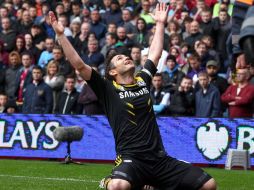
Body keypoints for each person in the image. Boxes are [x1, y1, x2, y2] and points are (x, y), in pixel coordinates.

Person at [49, 3, 216, 190]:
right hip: (131, 159)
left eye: (126, 56)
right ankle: (109, 181)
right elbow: (79, 65)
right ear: (112, 72)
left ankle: (151, 183)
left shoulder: (142, 80)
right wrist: (61, 35)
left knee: (208, 185)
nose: (126, 58)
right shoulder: (107, 88)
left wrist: (160, 24)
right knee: (118, 186)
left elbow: (155, 53)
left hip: (159, 159)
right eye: (119, 59)